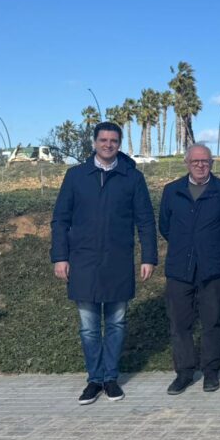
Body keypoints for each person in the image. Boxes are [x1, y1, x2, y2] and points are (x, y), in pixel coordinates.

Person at [51, 121, 156, 405]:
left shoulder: (132, 178)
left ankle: (110, 378)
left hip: (118, 261)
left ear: (119, 144)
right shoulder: (76, 176)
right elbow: (60, 219)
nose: (108, 145)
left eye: (113, 141)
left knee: (116, 324)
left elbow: (145, 220)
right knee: (88, 326)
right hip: (83, 261)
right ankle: (94, 379)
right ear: (94, 143)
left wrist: (148, 257)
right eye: (103, 140)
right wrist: (60, 257)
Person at [159, 144, 220, 395]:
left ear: (212, 163)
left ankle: (210, 372)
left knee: (212, 322)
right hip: (180, 268)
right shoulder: (172, 191)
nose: (200, 165)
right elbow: (165, 226)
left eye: (205, 161)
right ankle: (184, 373)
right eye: (195, 161)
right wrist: (186, 245)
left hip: (212, 267)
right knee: (179, 323)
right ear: (186, 163)